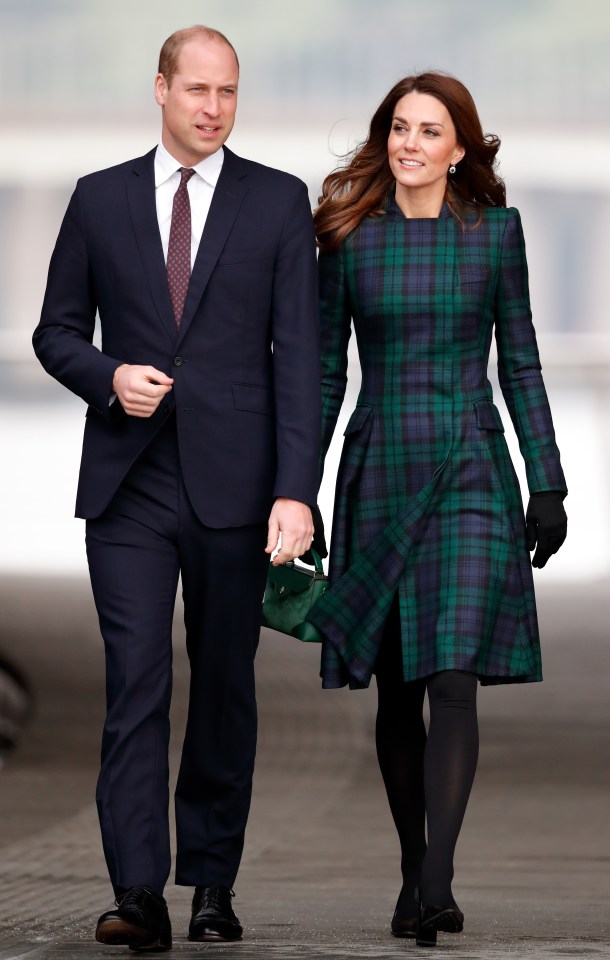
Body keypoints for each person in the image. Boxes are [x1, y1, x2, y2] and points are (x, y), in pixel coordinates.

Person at [33, 25, 320, 950]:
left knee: (226, 688)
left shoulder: (278, 204)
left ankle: (211, 883)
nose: (212, 107)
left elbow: (301, 363)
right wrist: (108, 376)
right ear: (159, 89)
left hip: (239, 492)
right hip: (128, 487)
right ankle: (138, 891)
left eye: (228, 91)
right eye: (196, 89)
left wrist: (295, 489)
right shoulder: (98, 199)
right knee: (137, 684)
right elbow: (56, 331)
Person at [308, 72, 567, 948]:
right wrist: (293, 490)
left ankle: (436, 881)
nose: (411, 143)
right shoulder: (348, 241)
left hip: (468, 467)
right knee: (397, 689)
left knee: (453, 676)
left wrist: (549, 481)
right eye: (400, 129)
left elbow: (522, 363)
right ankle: (413, 864)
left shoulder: (496, 236)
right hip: (379, 465)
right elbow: (324, 375)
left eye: (430, 131)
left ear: (460, 149)